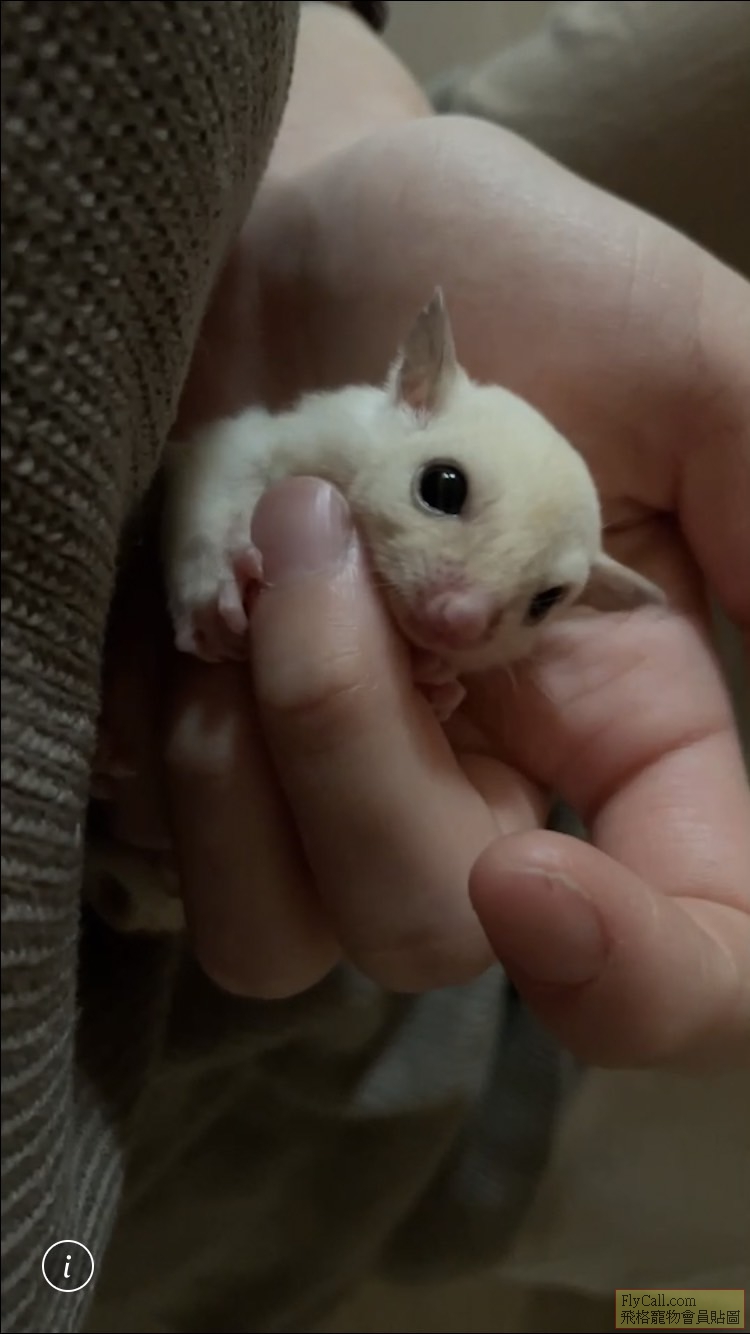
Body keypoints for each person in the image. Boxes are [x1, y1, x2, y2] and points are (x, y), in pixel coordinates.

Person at [2, 3, 748, 1332]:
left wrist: (315, 121)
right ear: (413, 390)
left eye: (536, 602)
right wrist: (204, 563)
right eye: (444, 495)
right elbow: (217, 468)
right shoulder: (331, 423)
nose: (461, 608)